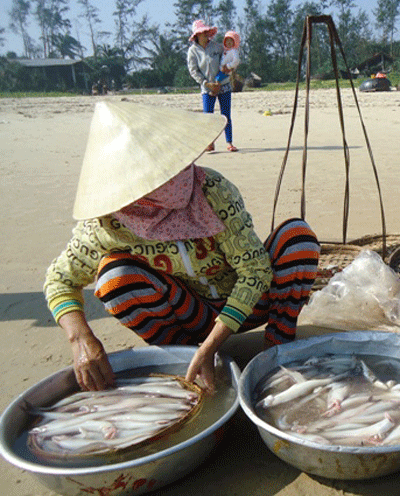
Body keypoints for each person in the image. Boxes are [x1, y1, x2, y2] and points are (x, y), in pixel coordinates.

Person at [44, 101, 320, 394]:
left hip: (249, 302)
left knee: (297, 238)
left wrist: (214, 343)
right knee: (115, 278)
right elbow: (60, 280)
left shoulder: (212, 190)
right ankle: (188, 358)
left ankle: (277, 346)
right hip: (189, 315)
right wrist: (80, 338)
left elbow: (255, 271)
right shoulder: (108, 223)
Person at [187, 19, 238, 153]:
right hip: (207, 88)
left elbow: (228, 61)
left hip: (224, 85)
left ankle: (230, 142)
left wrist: (227, 72)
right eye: (202, 33)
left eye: (206, 32)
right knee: (208, 117)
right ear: (196, 36)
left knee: (226, 115)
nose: (205, 35)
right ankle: (209, 143)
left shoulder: (217, 47)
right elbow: (193, 71)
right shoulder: (192, 52)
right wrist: (207, 84)